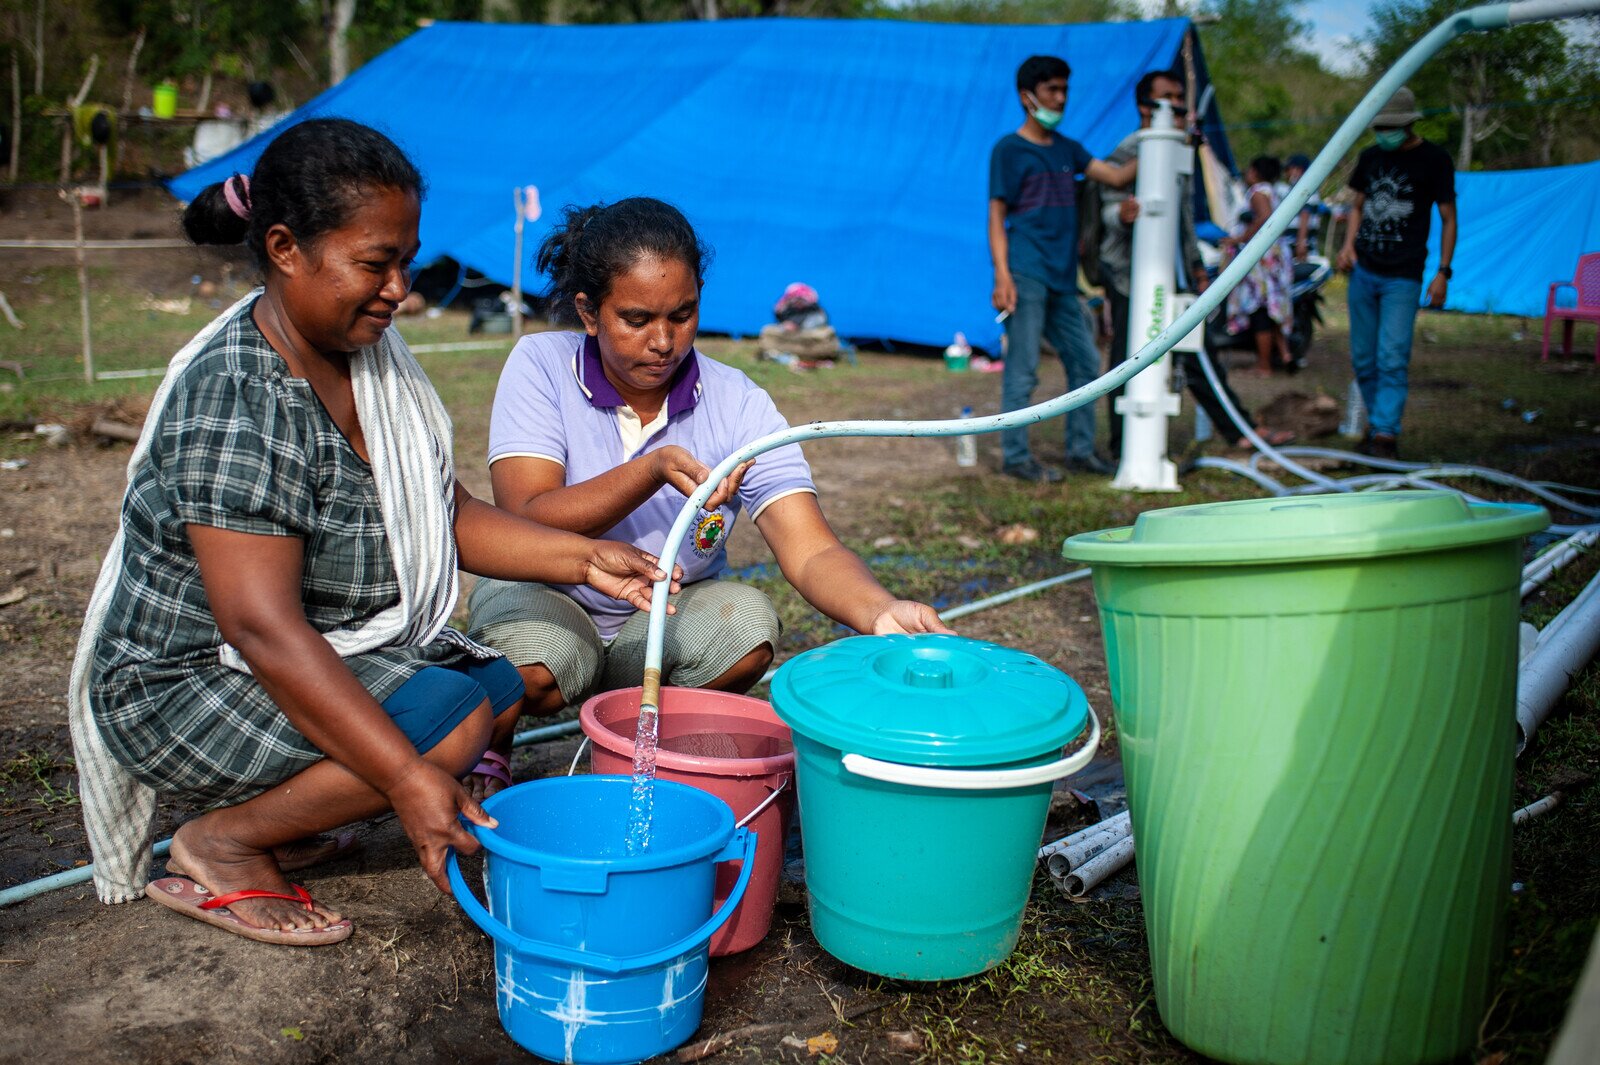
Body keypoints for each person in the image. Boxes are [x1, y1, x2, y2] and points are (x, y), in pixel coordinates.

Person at [69, 119, 675, 946]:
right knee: (452, 722)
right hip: (183, 683)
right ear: (285, 248)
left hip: (288, 645)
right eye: (374, 263)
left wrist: (585, 557)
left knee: (494, 684)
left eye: (405, 261)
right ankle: (226, 840)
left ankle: (283, 810)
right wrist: (404, 779)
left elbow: (442, 512)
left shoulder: (367, 358)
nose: (400, 288)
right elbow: (259, 625)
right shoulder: (243, 393)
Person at [464, 197, 950, 795]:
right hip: (548, 590)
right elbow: (525, 513)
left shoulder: (737, 401)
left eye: (684, 314)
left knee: (744, 626)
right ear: (589, 312)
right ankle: (488, 754)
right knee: (540, 660)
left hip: (659, 615)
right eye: (637, 319)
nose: (664, 341)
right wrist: (652, 469)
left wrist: (880, 611)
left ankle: (636, 745)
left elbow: (811, 549)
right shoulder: (540, 364)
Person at [1094, 70, 1294, 455]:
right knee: (1126, 360)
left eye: (1181, 99)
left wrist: (1195, 266)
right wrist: (1123, 214)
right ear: (1144, 107)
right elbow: (1107, 209)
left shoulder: (1178, 151)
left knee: (1196, 354)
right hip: (1128, 276)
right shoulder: (1127, 152)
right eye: (1168, 98)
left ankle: (1240, 431)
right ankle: (1123, 447)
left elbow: (1182, 219)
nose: (1179, 107)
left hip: (1173, 275)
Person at [988, 55, 1135, 482]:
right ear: (1027, 96)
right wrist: (1003, 275)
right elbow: (997, 216)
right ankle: (1016, 457)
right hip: (1026, 272)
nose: (1060, 98)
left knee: (1086, 364)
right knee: (1023, 369)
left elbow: (1116, 176)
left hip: (1063, 278)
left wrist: (1165, 138)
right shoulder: (1009, 150)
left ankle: (1081, 451)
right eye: (1052, 90)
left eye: (1065, 90)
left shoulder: (1069, 149)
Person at [1336, 86, 1456, 459]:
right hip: (1365, 270)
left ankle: (1386, 435)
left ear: (1407, 124)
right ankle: (1376, 424)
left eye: (1390, 126)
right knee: (1363, 358)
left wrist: (1443, 272)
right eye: (1379, 127)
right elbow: (1357, 205)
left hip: (1403, 274)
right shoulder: (1370, 157)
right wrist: (1348, 245)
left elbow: (1449, 217)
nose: (1383, 133)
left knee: (1392, 354)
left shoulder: (1434, 159)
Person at [1223, 156, 1297, 376]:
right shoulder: (1273, 191)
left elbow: (1265, 217)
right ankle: (1285, 355)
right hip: (1274, 258)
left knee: (1260, 310)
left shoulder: (1257, 193)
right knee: (1273, 309)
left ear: (1255, 172)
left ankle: (1264, 365)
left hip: (1262, 262)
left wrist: (1240, 238)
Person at [1280, 153, 1323, 260]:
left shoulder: (1307, 189)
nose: (1286, 173)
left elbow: (1305, 214)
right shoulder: (1295, 189)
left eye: (1288, 169)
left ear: (1298, 169)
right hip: (1292, 244)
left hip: (1302, 246)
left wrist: (1301, 242)